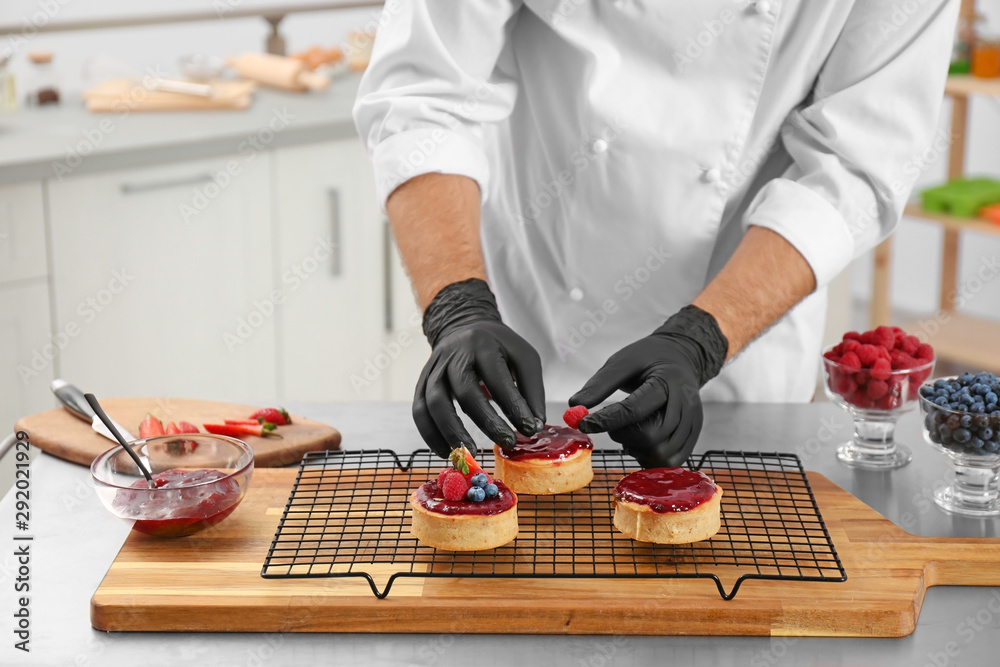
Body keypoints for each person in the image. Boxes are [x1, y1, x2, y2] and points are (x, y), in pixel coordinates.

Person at [353, 0, 957, 467]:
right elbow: (423, 97)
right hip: (526, 325)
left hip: (739, 353)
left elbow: (855, 163)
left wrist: (699, 341)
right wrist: (457, 305)